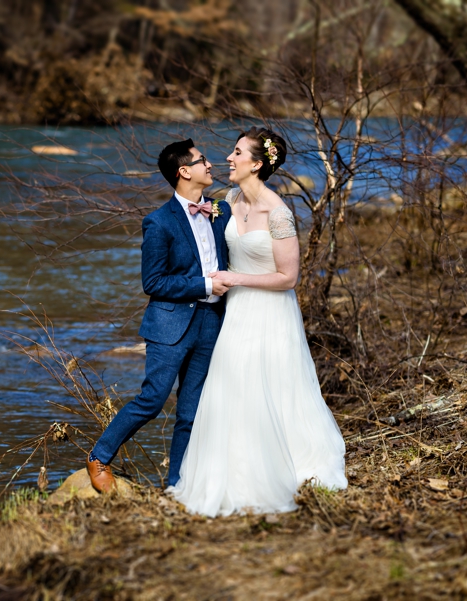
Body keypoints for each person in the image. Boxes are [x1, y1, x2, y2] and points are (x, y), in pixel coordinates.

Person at [167, 127, 347, 516]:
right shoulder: (230, 199)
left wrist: (236, 279)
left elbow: (289, 278)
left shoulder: (278, 213)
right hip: (235, 313)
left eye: (236, 153)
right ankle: (232, 469)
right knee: (233, 386)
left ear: (257, 164)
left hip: (270, 312)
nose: (228, 159)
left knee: (271, 386)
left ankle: (286, 465)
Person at [87, 139, 232, 492]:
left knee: (191, 411)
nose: (210, 165)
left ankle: (176, 485)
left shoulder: (220, 211)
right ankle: (99, 456)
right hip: (170, 325)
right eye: (202, 160)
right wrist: (203, 285)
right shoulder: (158, 222)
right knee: (152, 399)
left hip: (212, 323)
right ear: (184, 172)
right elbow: (153, 282)